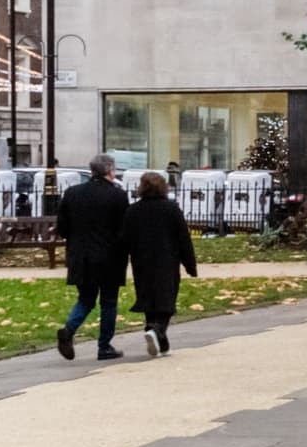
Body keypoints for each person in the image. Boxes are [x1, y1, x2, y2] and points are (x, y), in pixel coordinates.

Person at [55, 153, 133, 361]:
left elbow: (62, 227)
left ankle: (69, 329)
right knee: (108, 301)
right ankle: (104, 345)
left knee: (86, 299)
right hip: (110, 257)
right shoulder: (117, 195)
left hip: (80, 256)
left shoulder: (72, 194)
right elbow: (123, 228)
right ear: (110, 170)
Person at [123, 170, 199, 357]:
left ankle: (157, 335)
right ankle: (157, 329)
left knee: (148, 297)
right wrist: (190, 265)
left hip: (141, 261)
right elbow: (183, 239)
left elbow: (124, 239)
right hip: (167, 259)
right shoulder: (171, 209)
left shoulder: (133, 211)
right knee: (166, 299)